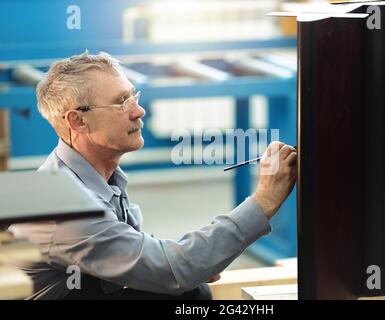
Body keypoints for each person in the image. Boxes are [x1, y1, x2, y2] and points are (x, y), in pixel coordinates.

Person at [8, 52, 297, 300]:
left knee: (189, 290)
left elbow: (143, 255)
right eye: (121, 102)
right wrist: (265, 199)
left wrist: (197, 260)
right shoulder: (66, 206)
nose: (138, 110)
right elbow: (172, 269)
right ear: (78, 121)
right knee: (188, 291)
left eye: (133, 96)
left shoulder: (100, 175)